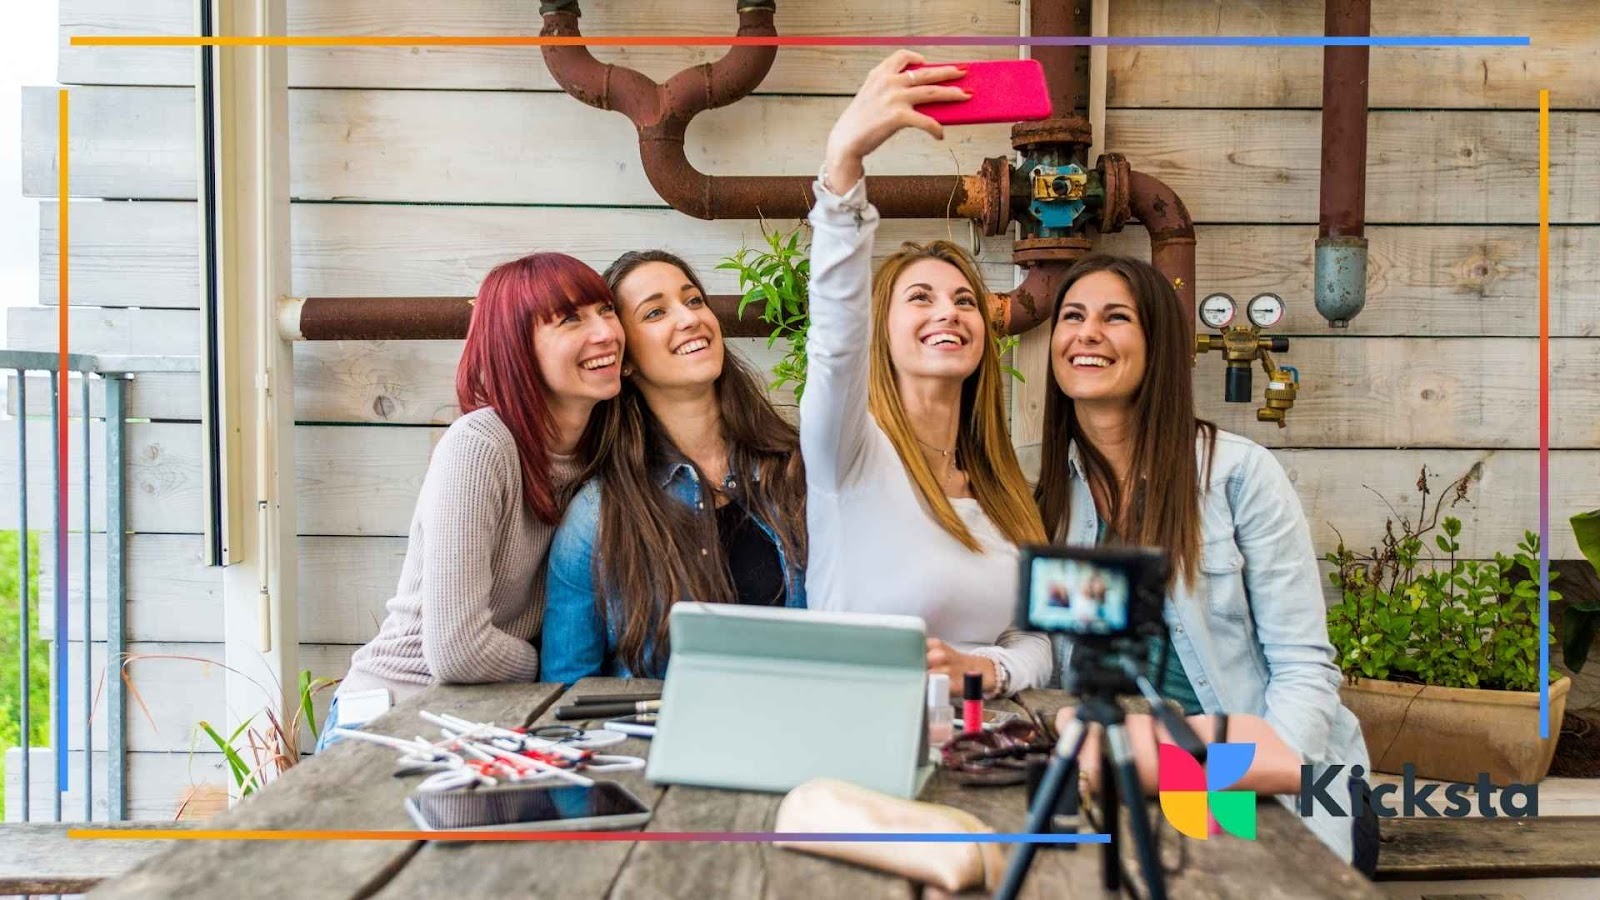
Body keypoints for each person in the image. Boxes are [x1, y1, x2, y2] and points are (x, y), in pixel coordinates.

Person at [1035, 253, 1378, 874]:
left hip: (1256, 773)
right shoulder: (1048, 491)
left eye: (1116, 317)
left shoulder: (1238, 474)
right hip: (1131, 768)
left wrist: (1249, 782)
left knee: (1232, 883)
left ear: (1158, 344)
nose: (1087, 334)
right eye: (1072, 316)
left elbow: (1304, 668)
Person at [802, 52, 1052, 697]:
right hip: (855, 731)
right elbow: (834, 340)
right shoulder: (848, 453)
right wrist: (843, 165)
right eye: (920, 298)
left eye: (965, 300)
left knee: (1209, 799)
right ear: (880, 332)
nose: (949, 312)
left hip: (986, 746)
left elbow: (1036, 636)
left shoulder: (1002, 485)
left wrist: (992, 670)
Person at [321, 252, 623, 749]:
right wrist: (552, 661)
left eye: (606, 310)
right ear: (517, 349)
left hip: (483, 717)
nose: (605, 332)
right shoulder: (480, 445)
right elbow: (457, 650)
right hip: (398, 710)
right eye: (572, 319)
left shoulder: (601, 449)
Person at [540, 250, 808, 682]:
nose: (688, 319)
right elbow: (565, 688)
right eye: (655, 312)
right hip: (658, 744)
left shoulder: (797, 471)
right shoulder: (598, 517)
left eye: (694, 300)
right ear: (623, 358)